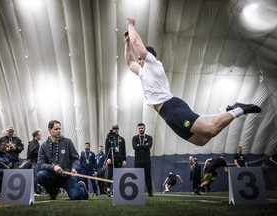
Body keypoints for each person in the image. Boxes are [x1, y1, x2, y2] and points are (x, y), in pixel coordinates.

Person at [123, 17, 262, 146]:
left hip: (172, 106)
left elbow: (137, 43)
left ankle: (239, 109)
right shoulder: (142, 72)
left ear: (148, 57)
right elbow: (129, 62)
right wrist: (126, 43)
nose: (138, 60)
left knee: (211, 130)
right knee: (201, 141)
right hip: (165, 114)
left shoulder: (153, 63)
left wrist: (131, 25)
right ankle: (231, 111)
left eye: (140, 58)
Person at [37, 120, 88, 200]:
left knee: (76, 196)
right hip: (52, 176)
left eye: (60, 129)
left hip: (67, 177)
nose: (59, 131)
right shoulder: (43, 146)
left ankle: (82, 188)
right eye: (56, 129)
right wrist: (53, 167)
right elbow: (41, 164)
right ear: (50, 130)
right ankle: (53, 192)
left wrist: (74, 168)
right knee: (40, 175)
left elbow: (76, 159)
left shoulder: (67, 142)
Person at [132, 123, 153, 197]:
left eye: (142, 128)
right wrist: (144, 146)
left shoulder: (149, 137)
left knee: (148, 176)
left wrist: (139, 146)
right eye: (139, 128)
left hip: (146, 159)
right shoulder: (134, 138)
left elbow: (149, 146)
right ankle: (137, 193)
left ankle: (150, 192)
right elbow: (135, 147)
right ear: (137, 129)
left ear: (144, 128)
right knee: (137, 176)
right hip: (138, 159)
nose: (141, 129)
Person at [105, 124, 126, 197]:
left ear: (118, 129)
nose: (115, 130)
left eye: (116, 128)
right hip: (111, 159)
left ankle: (115, 190)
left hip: (119, 159)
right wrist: (107, 158)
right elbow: (107, 149)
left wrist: (124, 160)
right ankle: (108, 189)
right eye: (114, 129)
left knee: (118, 175)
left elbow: (124, 150)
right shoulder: (108, 139)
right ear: (112, 129)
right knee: (110, 174)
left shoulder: (121, 139)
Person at [27, 129, 42, 195]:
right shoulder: (32, 142)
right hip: (33, 162)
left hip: (36, 162)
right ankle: (33, 191)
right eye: (40, 135)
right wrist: (41, 152)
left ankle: (35, 190)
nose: (41, 136)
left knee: (36, 176)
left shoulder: (36, 143)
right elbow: (32, 151)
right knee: (34, 177)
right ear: (36, 135)